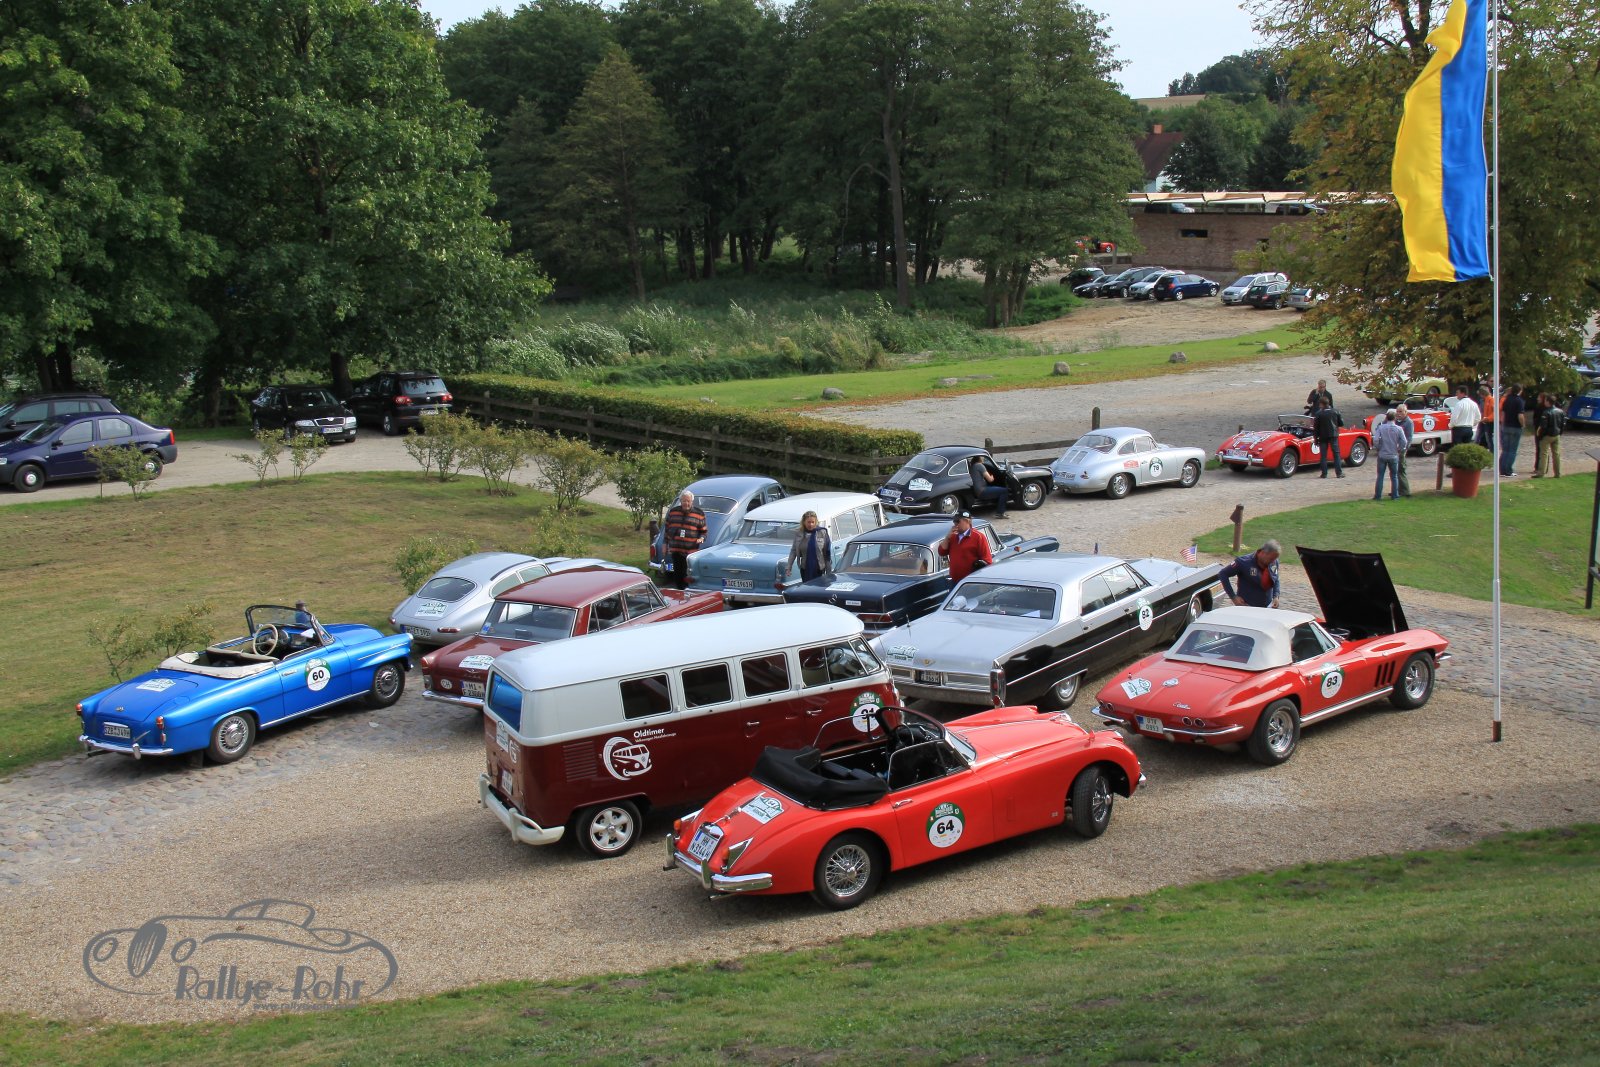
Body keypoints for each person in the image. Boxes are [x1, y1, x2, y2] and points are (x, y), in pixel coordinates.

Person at [662, 490, 707, 590]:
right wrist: (665, 545)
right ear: (680, 501)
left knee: (688, 577)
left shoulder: (699, 514)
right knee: (678, 577)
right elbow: (667, 531)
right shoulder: (673, 512)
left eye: (688, 501)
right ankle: (679, 594)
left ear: (692, 501)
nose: (686, 503)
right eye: (684, 501)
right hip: (676, 551)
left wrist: (701, 539)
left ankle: (688, 594)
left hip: (690, 553)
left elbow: (704, 532)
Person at [1219, 540, 1281, 609]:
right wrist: (1233, 597)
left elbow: (1275, 578)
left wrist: (1276, 596)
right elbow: (1223, 574)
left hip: (1268, 607)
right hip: (1247, 607)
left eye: (1275, 559)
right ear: (1263, 553)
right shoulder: (1243, 562)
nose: (1273, 561)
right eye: (1271, 559)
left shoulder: (1274, 562)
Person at [781, 510, 833, 588]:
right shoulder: (799, 533)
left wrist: (829, 573)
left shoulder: (822, 532)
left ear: (816, 522)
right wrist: (789, 567)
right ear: (804, 522)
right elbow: (794, 551)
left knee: (818, 589)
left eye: (812, 522)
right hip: (805, 568)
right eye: (808, 522)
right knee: (807, 588)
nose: (811, 524)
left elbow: (827, 553)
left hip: (819, 568)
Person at [936, 512, 992, 584]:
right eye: (954, 521)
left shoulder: (978, 537)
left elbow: (987, 561)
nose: (955, 524)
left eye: (958, 521)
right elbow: (941, 552)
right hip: (955, 581)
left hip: (971, 582)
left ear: (967, 521)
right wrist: (947, 537)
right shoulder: (953, 536)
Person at [1372, 410, 1407, 500]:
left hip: (1383, 454)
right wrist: (1399, 449)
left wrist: (1379, 447)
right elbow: (1404, 441)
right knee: (1394, 476)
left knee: (1380, 476)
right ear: (1395, 418)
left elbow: (1375, 440)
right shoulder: (1399, 429)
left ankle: (1378, 496)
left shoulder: (1381, 427)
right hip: (1393, 454)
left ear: (1386, 418)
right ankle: (1395, 496)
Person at [1312, 399, 1344, 478]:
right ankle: (1339, 473)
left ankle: (1324, 473)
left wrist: (1316, 438)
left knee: (1323, 456)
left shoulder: (1319, 414)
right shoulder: (1335, 411)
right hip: (1333, 435)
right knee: (1336, 454)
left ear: (1322, 404)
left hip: (1323, 436)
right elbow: (1341, 423)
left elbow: (1316, 428)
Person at [1499, 384, 1526, 477]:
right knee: (1512, 450)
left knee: (1505, 449)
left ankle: (1502, 470)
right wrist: (1523, 425)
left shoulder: (1507, 399)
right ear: (1520, 390)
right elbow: (1520, 415)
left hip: (1506, 425)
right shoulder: (1519, 401)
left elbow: (1503, 413)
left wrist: (1503, 424)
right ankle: (1508, 470)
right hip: (1515, 427)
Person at [1535, 399, 1565, 478]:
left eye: (1545, 401)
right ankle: (1558, 473)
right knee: (1556, 454)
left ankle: (1541, 473)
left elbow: (1543, 426)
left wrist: (1541, 436)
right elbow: (1563, 424)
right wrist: (1560, 433)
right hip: (1556, 435)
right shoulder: (1560, 411)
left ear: (1548, 402)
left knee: (1543, 454)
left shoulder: (1546, 412)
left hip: (1547, 436)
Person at [1394, 401, 1415, 497]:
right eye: (1397, 411)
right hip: (1395, 449)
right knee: (1396, 470)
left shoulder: (1408, 422)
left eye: (1400, 412)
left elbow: (1409, 437)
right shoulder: (1396, 421)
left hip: (1401, 450)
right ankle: (1398, 490)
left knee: (1401, 469)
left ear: (1405, 412)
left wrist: (1404, 449)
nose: (1398, 413)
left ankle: (1406, 491)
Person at [1530, 391, 1551, 476]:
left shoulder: (1543, 409)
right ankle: (1540, 467)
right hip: (1539, 430)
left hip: (1541, 430)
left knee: (1542, 450)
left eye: (1539, 397)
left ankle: (1540, 467)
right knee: (1540, 449)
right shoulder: (1539, 407)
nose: (1537, 398)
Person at [1474, 385, 1496, 450]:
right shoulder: (1482, 400)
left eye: (1480, 394)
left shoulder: (1491, 400)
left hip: (1488, 422)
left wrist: (1488, 418)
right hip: (1483, 421)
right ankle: (1474, 449)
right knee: (1477, 437)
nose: (1480, 396)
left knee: (1488, 438)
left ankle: (1492, 452)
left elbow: (1495, 412)